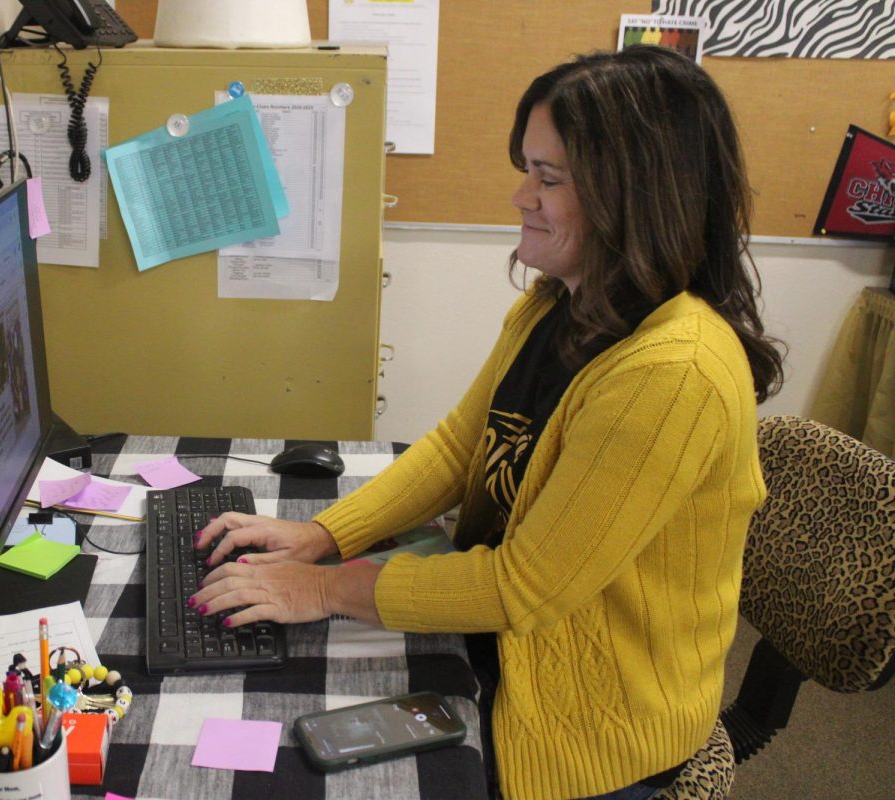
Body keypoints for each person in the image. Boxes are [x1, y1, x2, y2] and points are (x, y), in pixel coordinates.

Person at [190, 45, 784, 800]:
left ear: (631, 194)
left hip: (583, 721)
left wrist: (325, 589)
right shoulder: (560, 304)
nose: (520, 196)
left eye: (549, 178)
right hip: (498, 642)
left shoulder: (671, 373)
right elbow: (457, 448)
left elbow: (520, 589)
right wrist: (324, 537)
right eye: (526, 169)